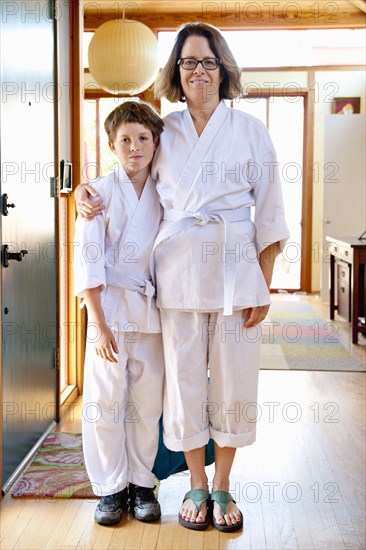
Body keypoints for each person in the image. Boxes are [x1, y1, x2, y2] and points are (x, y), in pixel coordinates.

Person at [75, 22, 290, 533]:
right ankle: (196, 482)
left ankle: (224, 486)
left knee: (235, 379)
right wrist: (82, 192)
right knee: (183, 381)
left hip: (237, 272)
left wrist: (264, 280)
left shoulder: (250, 131)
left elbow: (273, 211)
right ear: (176, 70)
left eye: (208, 61)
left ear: (224, 68)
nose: (198, 71)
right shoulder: (165, 129)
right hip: (176, 277)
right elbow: (127, 173)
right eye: (189, 62)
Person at [73, 100, 165, 526]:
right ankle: (110, 489)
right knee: (106, 401)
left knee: (146, 401)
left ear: (155, 142)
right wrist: (99, 324)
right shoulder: (97, 194)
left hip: (151, 308)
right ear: (111, 145)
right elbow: (89, 259)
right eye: (125, 140)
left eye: (143, 138)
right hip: (108, 308)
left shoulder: (167, 190)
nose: (135, 147)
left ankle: (142, 483)